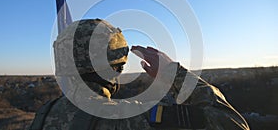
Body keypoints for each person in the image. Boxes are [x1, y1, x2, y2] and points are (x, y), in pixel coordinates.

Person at [29, 19, 250, 130]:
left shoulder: (44, 116)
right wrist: (173, 73)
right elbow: (233, 124)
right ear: (116, 65)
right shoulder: (129, 118)